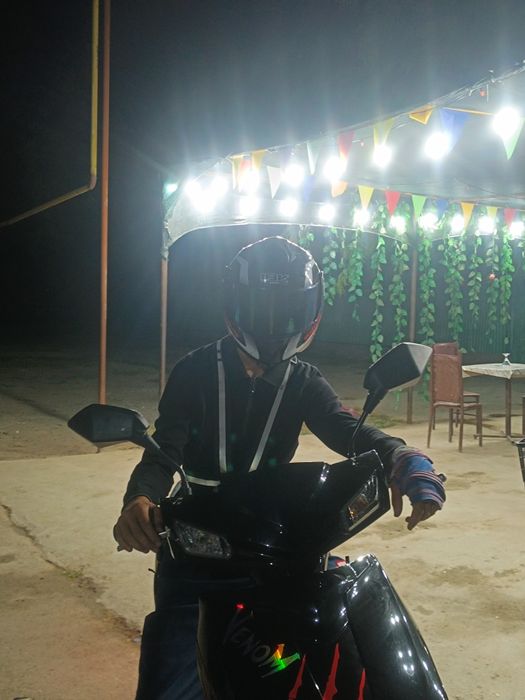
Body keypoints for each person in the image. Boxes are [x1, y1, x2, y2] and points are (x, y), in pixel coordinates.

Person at [113, 235, 446, 700]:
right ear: (234, 306)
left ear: (310, 312)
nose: (273, 325)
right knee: (170, 680)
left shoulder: (304, 380)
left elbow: (344, 428)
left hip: (277, 537)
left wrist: (402, 456)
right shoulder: (194, 371)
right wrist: (140, 498)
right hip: (200, 538)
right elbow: (162, 449)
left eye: (288, 311)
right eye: (260, 309)